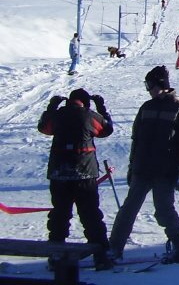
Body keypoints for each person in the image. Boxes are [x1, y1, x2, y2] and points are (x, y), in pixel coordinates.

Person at [109, 66, 179, 264]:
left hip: (165, 170)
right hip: (143, 168)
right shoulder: (146, 107)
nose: (148, 89)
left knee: (164, 210)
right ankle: (114, 248)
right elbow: (136, 139)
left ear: (161, 85)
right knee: (128, 209)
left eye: (150, 85)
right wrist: (132, 167)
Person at [37, 88, 114, 271]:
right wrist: (101, 108)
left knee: (59, 215)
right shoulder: (89, 116)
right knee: (91, 215)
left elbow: (43, 127)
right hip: (84, 173)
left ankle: (56, 254)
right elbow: (106, 129)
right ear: (85, 103)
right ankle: (101, 255)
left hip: (60, 174)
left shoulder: (58, 116)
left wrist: (51, 107)